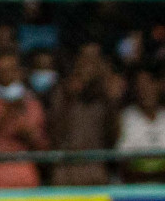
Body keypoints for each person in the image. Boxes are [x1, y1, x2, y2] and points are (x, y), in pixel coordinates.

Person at [48, 41, 122, 186]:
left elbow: (113, 138)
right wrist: (70, 98)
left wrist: (111, 101)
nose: (89, 64)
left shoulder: (106, 97)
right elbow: (54, 136)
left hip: (96, 170)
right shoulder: (63, 92)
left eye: (94, 59)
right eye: (86, 58)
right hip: (66, 170)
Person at [0, 49, 47, 188]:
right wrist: (5, 115)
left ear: (20, 72)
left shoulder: (33, 105)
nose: (7, 75)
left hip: (26, 179)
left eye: (11, 70)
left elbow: (42, 147)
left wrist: (27, 131)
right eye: (1, 71)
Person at [116, 65, 165, 182]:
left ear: (159, 85)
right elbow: (122, 161)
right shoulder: (125, 117)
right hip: (136, 187)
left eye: (149, 84)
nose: (145, 90)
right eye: (141, 86)